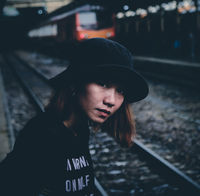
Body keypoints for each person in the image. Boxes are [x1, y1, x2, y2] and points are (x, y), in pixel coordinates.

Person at [0, 38, 149, 196]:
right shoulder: (42, 135)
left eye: (121, 91)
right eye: (102, 83)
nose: (111, 101)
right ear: (75, 82)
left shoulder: (78, 129)